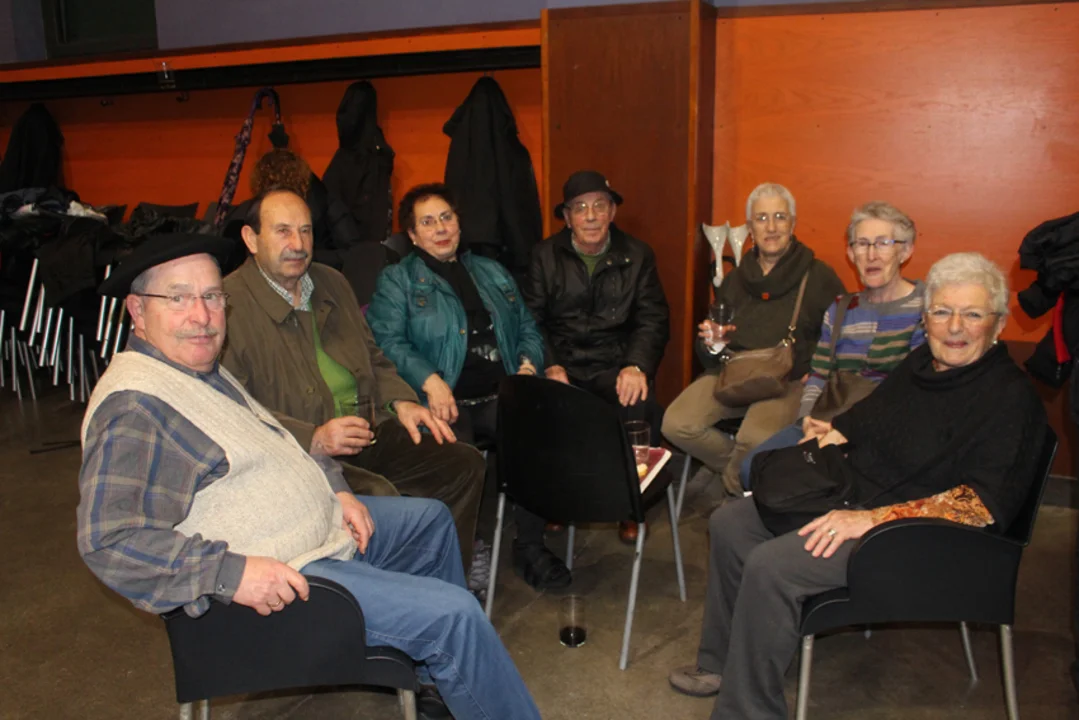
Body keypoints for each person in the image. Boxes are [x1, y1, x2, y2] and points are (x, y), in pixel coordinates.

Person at [76, 234, 543, 720]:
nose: (202, 316)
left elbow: (278, 438)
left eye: (212, 296)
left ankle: (439, 680)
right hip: (286, 579)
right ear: (137, 310)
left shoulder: (197, 370)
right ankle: (451, 652)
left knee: (430, 521)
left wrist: (337, 490)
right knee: (456, 616)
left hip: (316, 532)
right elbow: (109, 540)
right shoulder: (135, 407)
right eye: (178, 298)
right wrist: (231, 574)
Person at [667, 252, 1048, 719]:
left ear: (998, 323)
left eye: (972, 314)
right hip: (860, 499)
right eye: (942, 311)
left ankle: (749, 711)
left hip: (924, 538)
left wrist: (869, 520)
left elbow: (980, 505)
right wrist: (833, 431)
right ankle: (723, 664)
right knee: (731, 523)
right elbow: (871, 417)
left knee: (771, 565)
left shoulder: (1010, 399)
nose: (955, 327)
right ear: (925, 319)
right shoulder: (923, 365)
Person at [220, 188, 485, 570]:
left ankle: (441, 580)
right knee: (380, 496)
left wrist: (401, 400)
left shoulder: (331, 282)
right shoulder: (227, 305)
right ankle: (393, 594)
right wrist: (313, 436)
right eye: (283, 231)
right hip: (298, 455)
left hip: (367, 429)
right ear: (250, 239)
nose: (298, 244)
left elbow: (373, 355)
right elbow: (231, 409)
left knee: (461, 463)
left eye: (306, 231)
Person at [367, 183, 569, 590]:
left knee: (535, 433)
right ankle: (465, 549)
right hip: (442, 400)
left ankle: (530, 546)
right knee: (455, 457)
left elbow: (527, 326)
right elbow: (386, 340)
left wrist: (528, 366)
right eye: (428, 222)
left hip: (500, 392)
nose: (441, 228)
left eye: (447, 217)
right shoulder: (398, 280)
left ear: (459, 223)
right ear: (412, 235)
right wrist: (430, 380)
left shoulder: (491, 271)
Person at [662, 183, 845, 496]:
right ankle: (740, 475)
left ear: (793, 223)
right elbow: (708, 352)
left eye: (779, 217)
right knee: (676, 423)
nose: (771, 227)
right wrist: (714, 343)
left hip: (788, 380)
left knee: (754, 439)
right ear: (750, 228)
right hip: (735, 372)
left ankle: (735, 492)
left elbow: (840, 336)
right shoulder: (735, 279)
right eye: (761, 219)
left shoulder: (819, 277)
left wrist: (816, 369)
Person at [522, 170, 670, 544]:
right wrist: (550, 363)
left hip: (614, 363)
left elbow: (653, 318)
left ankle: (630, 504)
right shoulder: (543, 255)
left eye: (599, 206)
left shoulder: (638, 254)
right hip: (563, 363)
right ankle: (559, 499)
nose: (590, 216)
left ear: (612, 212)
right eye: (580, 208)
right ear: (567, 216)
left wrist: (636, 365)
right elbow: (530, 319)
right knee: (542, 408)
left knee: (639, 406)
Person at [738, 201, 926, 487]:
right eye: (861, 244)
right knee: (753, 469)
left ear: (906, 251)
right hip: (828, 418)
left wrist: (850, 430)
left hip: (886, 433)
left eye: (883, 243)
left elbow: (917, 391)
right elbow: (819, 374)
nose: (871, 255)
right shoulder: (840, 309)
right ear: (850, 253)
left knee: (811, 483)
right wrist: (806, 421)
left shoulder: (928, 310)